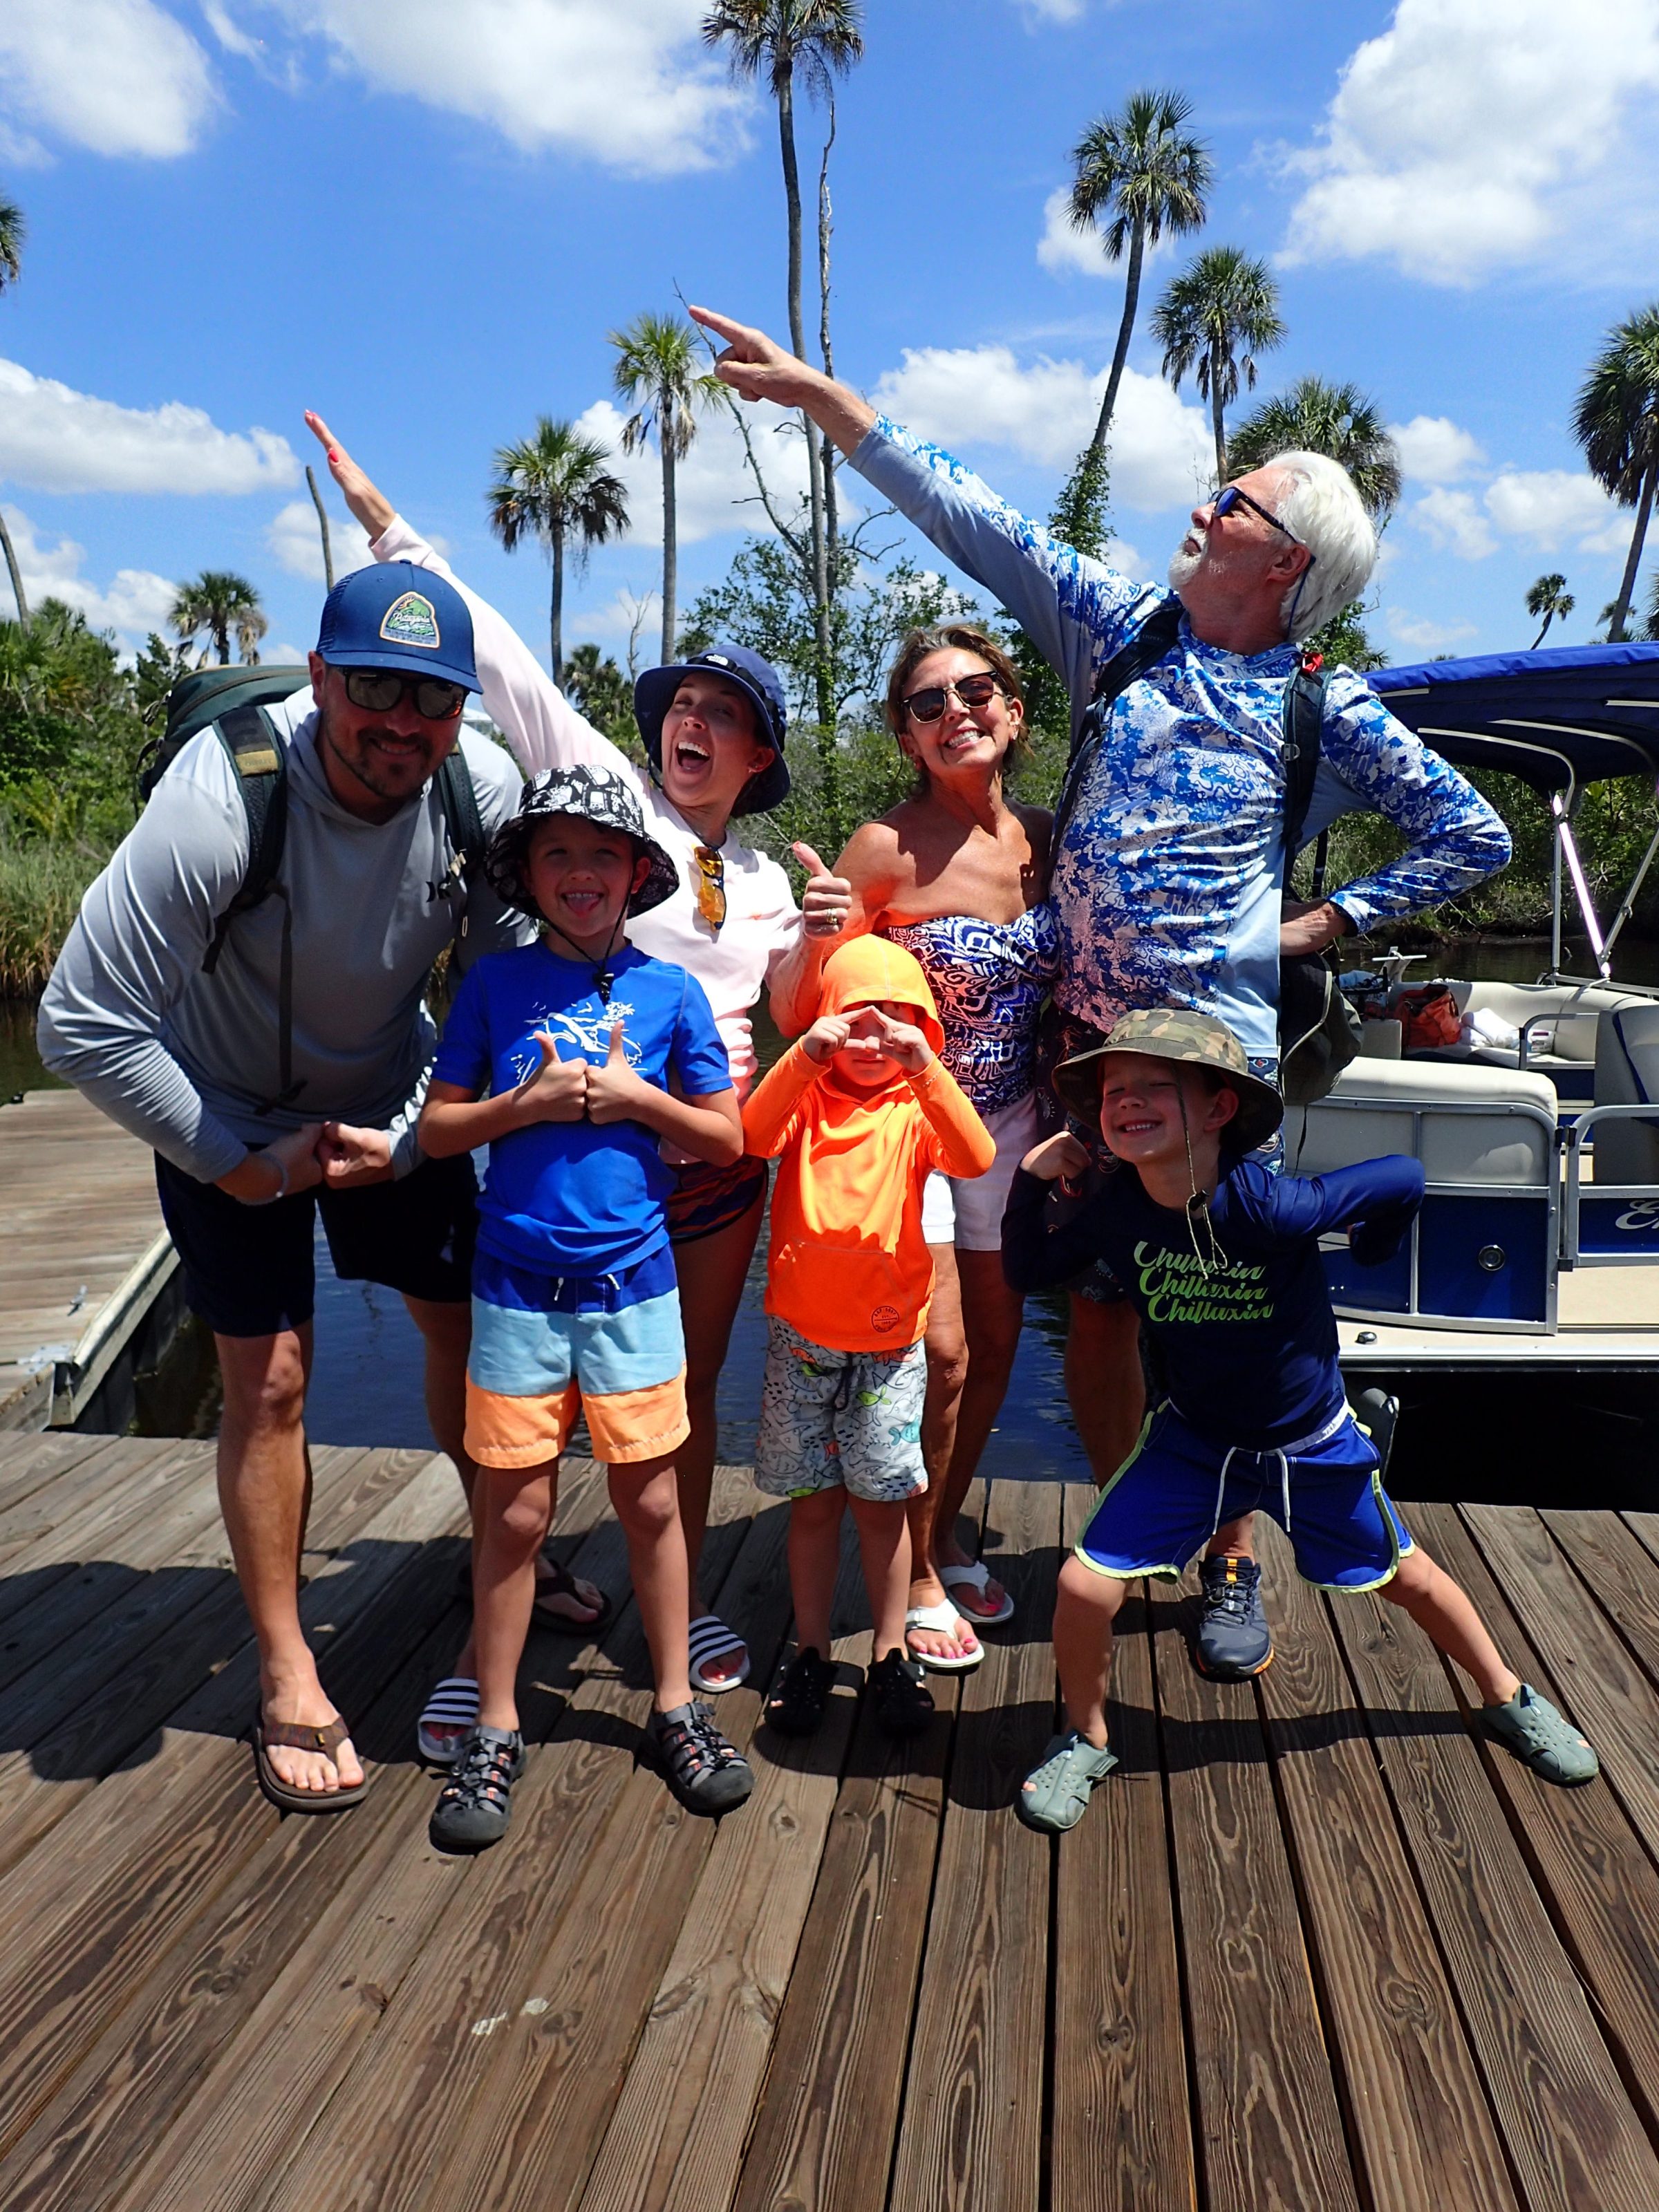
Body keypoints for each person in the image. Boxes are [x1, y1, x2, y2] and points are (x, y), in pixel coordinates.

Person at [690, 302, 1512, 1683]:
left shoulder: (1324, 705)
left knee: (1226, 1303)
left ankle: (1233, 1556)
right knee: (1103, 1309)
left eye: (1233, 503)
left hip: (1219, 1070)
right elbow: (975, 519)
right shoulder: (1122, 633)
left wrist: (1320, 923)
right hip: (1083, 1056)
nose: (1201, 507)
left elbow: (1472, 834)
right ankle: (1137, 1534)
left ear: (1286, 560)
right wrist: (825, 402)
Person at [308, 416, 830, 1721]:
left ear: (759, 756)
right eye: (685, 705)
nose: (694, 724)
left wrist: (830, 935)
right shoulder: (603, 798)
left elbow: (788, 1010)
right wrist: (389, 528)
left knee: (680, 1400)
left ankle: (683, 1601)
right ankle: (517, 1599)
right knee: (539, 1408)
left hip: (709, 1163)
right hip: (567, 1158)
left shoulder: (767, 878)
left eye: (725, 716)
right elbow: (498, 653)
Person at [36, 563, 530, 1810]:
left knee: (467, 1335)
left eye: (434, 698)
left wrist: (412, 1139)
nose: (402, 723)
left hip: (391, 1097)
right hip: (224, 1110)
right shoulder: (223, 800)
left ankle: (502, 1562)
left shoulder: (478, 795)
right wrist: (235, 1162)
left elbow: (504, 997)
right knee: (271, 1382)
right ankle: (286, 1664)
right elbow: (82, 1020)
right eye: (374, 688)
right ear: (319, 679)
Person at [1001, 1008, 1599, 1833]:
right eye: (1112, 1091)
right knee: (1081, 1584)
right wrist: (1030, 1180)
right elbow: (1028, 1266)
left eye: (1154, 1086)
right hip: (1195, 1442)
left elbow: (1403, 1177)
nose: (1127, 1101)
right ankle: (1086, 1733)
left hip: (1310, 1443)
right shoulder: (1116, 1210)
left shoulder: (1272, 1208)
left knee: (1406, 1575)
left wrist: (1377, 1248)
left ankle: (1508, 1693)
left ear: (1219, 1109)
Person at [419, 764, 753, 1848]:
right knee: (515, 1513)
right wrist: (523, 1104)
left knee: (650, 1502)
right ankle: (498, 1722)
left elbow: (727, 1137)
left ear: (636, 872)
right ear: (527, 874)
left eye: (602, 853)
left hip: (635, 1287)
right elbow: (437, 1132)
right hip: (515, 1287)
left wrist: (638, 1098)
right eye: (556, 853)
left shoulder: (670, 992)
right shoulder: (492, 985)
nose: (580, 872)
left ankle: (675, 1704)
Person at [771, 625, 1056, 1671]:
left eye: (975, 692)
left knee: (996, 1352)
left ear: (1013, 710)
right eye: (928, 704)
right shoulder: (884, 847)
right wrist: (817, 933)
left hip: (1013, 1127)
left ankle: (939, 1532)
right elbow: (797, 1010)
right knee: (940, 1357)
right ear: (906, 737)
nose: (955, 714)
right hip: (906, 1134)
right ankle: (923, 1575)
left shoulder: (1046, 838)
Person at [742, 935, 996, 1738]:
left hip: (889, 1352)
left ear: (920, 1029)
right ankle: (812, 1650)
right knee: (814, 1506)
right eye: (855, 1017)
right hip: (802, 1345)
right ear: (827, 1022)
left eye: (895, 1018)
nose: (873, 1035)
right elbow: (753, 1135)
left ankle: (890, 1653)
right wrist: (800, 1056)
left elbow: (978, 1156)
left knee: (883, 1506)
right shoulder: (807, 1097)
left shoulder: (917, 1109)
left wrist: (927, 1067)